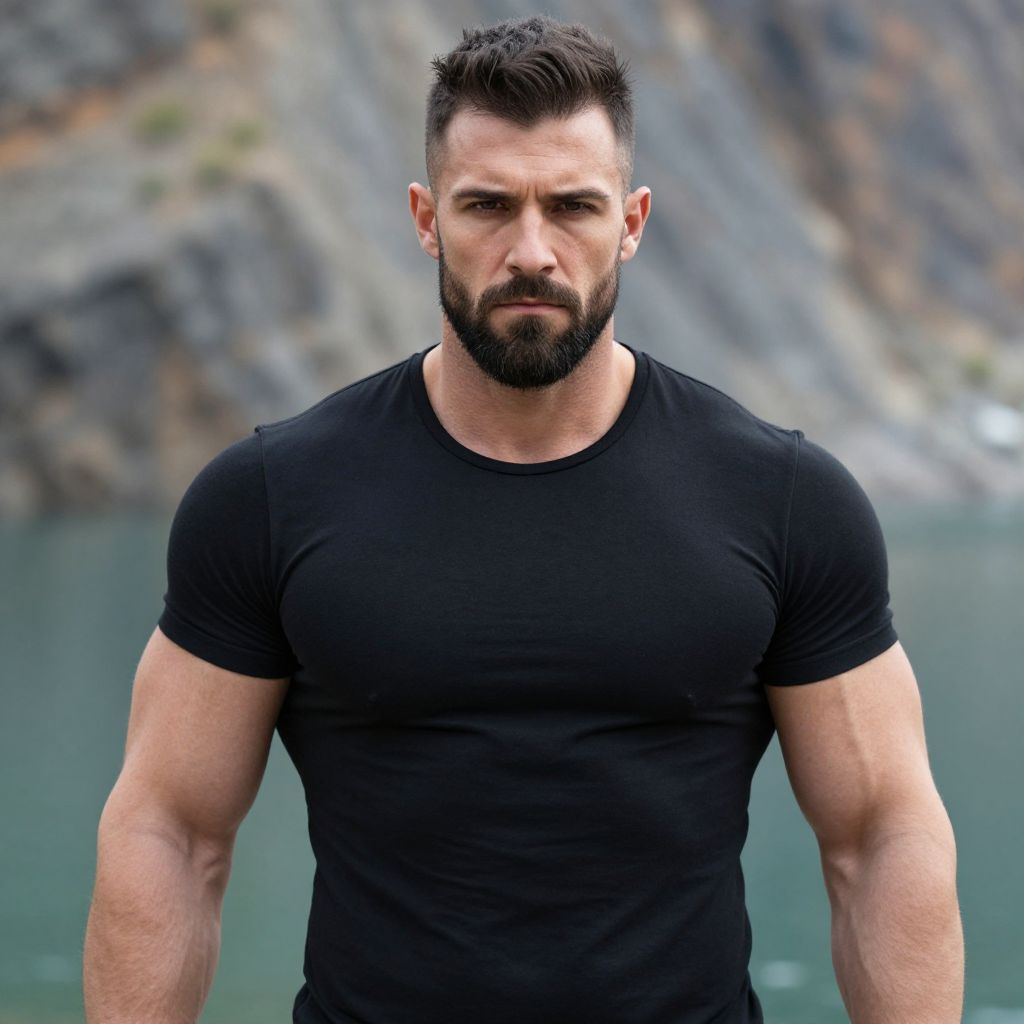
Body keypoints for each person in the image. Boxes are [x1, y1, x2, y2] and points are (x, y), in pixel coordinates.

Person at [84, 15, 964, 1024]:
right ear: (426, 218)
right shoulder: (271, 497)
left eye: (573, 207)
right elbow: (171, 829)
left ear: (631, 221)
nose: (531, 250)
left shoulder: (782, 499)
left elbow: (879, 833)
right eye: (488, 206)